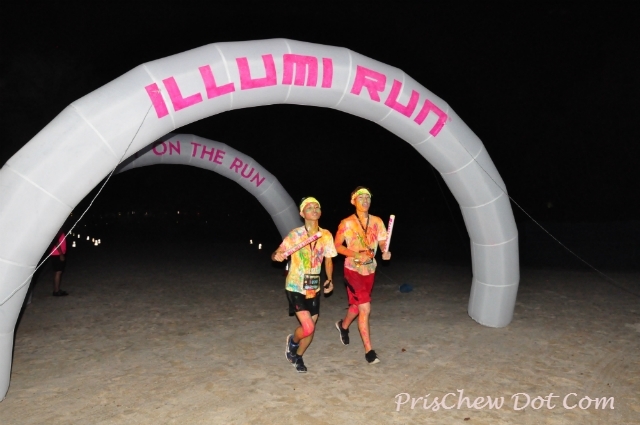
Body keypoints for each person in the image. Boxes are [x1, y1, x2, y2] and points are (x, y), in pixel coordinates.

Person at [272, 197, 336, 373]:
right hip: (295, 286)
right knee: (308, 327)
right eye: (309, 208)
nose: (314, 210)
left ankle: (298, 355)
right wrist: (277, 255)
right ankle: (293, 342)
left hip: (313, 288)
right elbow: (278, 252)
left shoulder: (326, 235)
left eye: (317, 207)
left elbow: (328, 260)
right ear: (302, 213)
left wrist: (330, 279)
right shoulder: (295, 234)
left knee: (310, 330)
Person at [334, 186, 391, 364]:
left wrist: (385, 251)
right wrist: (356, 254)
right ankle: (369, 351)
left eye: (368, 197)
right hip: (352, 270)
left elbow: (382, 241)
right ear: (353, 201)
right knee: (365, 308)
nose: (365, 201)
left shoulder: (377, 221)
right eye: (361, 197)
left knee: (356, 306)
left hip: (370, 269)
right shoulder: (346, 223)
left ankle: (343, 326)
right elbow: (337, 246)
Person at [49, 230, 69, 296]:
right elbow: (56, 241)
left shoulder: (60, 230)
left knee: (57, 272)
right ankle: (56, 291)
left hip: (56, 253)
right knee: (58, 272)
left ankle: (56, 289)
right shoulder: (57, 230)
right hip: (57, 254)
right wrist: (61, 253)